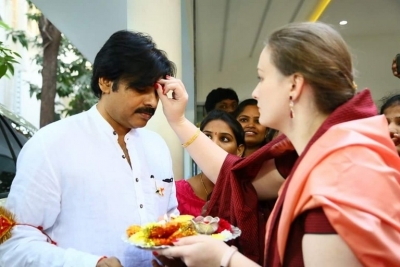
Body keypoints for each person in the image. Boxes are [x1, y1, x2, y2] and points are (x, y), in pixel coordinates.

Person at [154, 22, 400, 267]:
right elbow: (239, 177)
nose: (256, 91)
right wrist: (178, 120)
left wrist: (224, 258)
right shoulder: (323, 151)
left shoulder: (338, 175)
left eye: (262, 77)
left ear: (294, 85)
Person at [0, 30, 178, 267]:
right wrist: (90, 264)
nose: (152, 102)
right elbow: (13, 241)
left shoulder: (156, 146)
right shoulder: (52, 144)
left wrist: (177, 250)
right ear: (105, 82)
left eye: (156, 92)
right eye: (140, 89)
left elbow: (169, 217)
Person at [175, 109, 245, 216]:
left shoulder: (246, 193)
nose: (213, 144)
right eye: (207, 137)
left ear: (239, 150)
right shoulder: (176, 193)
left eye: (224, 139)